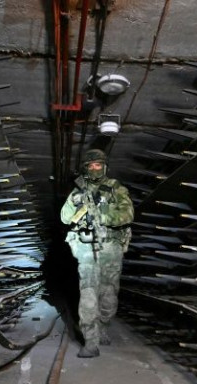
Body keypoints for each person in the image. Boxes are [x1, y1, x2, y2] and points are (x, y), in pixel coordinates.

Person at [60, 148, 133, 358]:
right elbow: (65, 217)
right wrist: (78, 204)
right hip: (87, 248)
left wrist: (101, 216)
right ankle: (90, 342)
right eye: (91, 166)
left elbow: (127, 214)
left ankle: (103, 326)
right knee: (89, 292)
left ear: (104, 167)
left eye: (98, 165)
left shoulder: (116, 189)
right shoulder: (78, 192)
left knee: (109, 294)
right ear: (86, 168)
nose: (94, 169)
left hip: (111, 248)